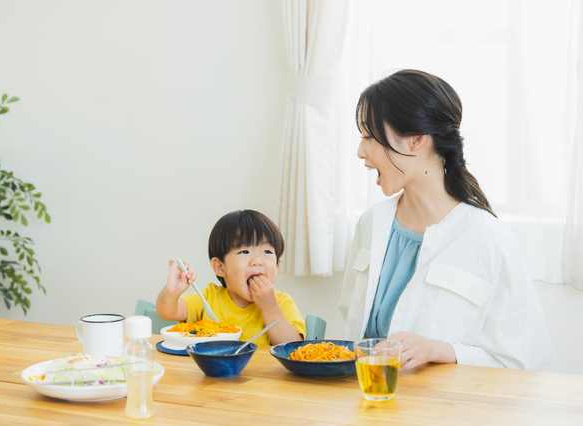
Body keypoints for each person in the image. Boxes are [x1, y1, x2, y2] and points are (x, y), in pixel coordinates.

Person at [338, 69, 555, 372]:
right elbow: (353, 334)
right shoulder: (370, 224)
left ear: (416, 139)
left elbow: (524, 363)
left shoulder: (489, 240)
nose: (361, 151)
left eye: (369, 136)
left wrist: (440, 350)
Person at [156, 209, 305, 346]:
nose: (258, 261)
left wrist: (270, 307)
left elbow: (292, 347)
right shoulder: (208, 298)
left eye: (267, 251)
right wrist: (171, 292)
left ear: (277, 265)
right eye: (245, 252)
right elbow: (167, 312)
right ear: (221, 267)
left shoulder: (282, 303)